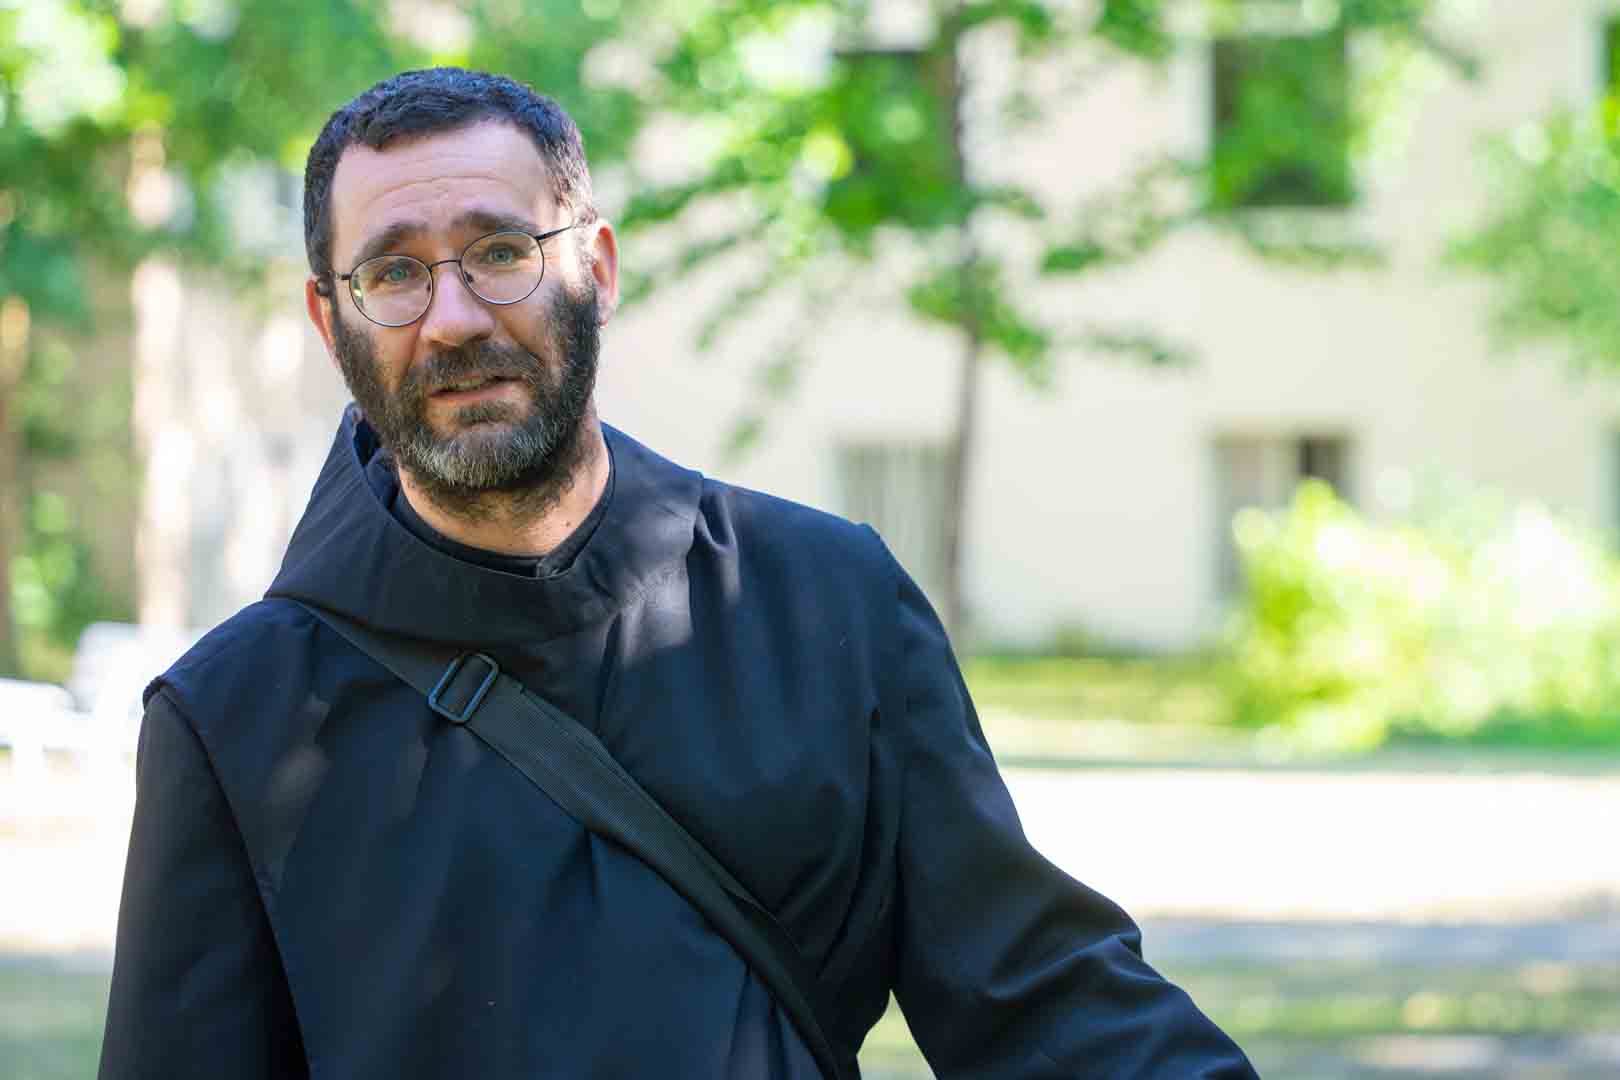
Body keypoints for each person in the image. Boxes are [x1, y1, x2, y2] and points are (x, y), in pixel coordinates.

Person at [99, 68, 1257, 1079]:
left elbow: (1036, 999)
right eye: (394, 273)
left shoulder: (825, 605)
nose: (451, 319)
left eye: (500, 252)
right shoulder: (234, 721)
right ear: (329, 318)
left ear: (596, 268)